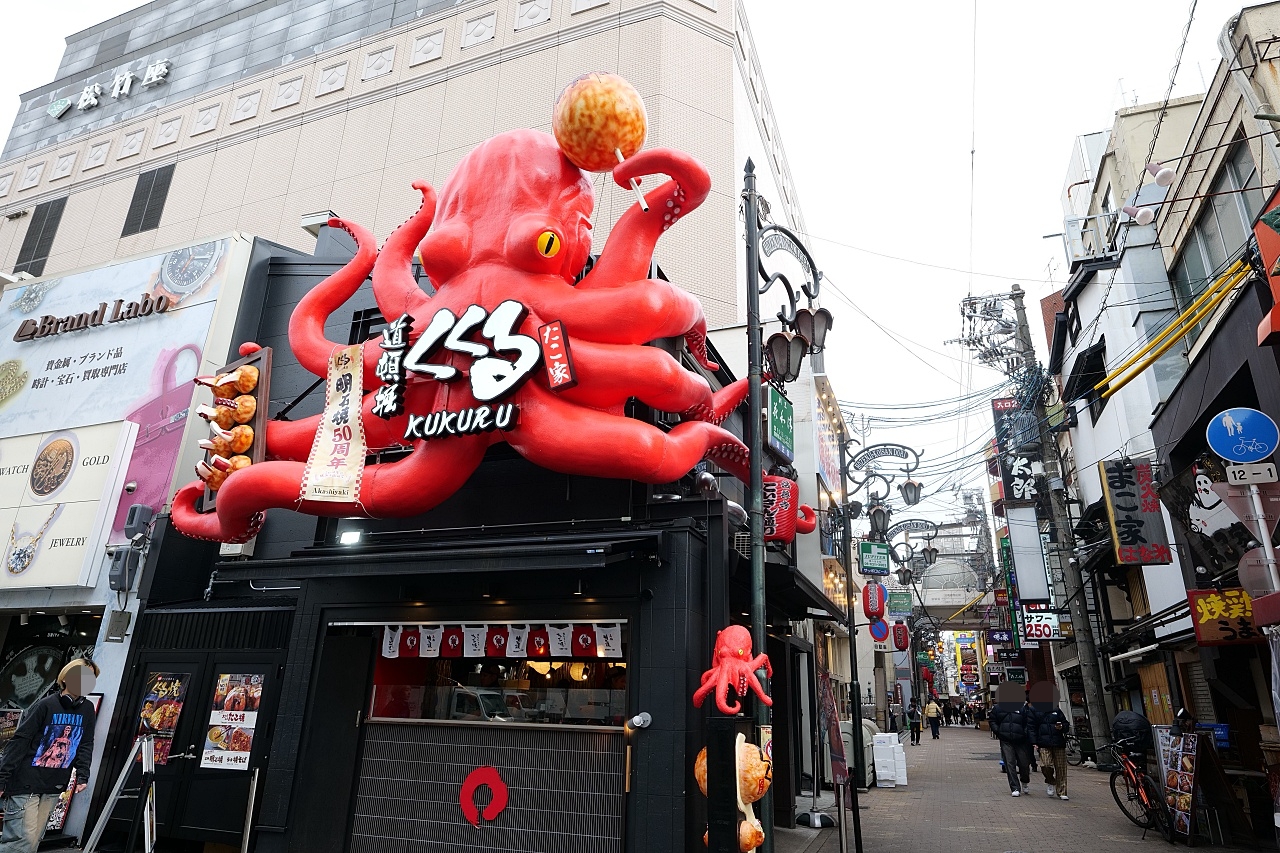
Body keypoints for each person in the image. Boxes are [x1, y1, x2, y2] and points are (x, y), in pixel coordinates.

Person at [0, 659, 99, 853]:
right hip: (25, 782)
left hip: (53, 785)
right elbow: (20, 741)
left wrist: (83, 774)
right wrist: (2, 778)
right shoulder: (45, 705)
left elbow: (85, 743)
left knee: (34, 840)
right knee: (21, 841)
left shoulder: (87, 710)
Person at [1028, 681, 1072, 801]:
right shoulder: (1033, 710)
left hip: (1058, 742)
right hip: (1043, 743)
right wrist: (1034, 742)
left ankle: (1062, 791)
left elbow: (1066, 724)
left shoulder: (1056, 710)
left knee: (1061, 768)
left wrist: (1062, 727)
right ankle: (1050, 780)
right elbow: (1031, 727)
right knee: (1045, 765)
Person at [990, 682, 1033, 797]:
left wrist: (1024, 733)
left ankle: (1025, 781)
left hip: (1021, 740)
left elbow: (1028, 722)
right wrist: (998, 731)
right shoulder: (998, 708)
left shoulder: (1022, 708)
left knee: (1024, 764)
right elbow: (992, 721)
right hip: (1006, 740)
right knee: (1010, 763)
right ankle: (1015, 787)